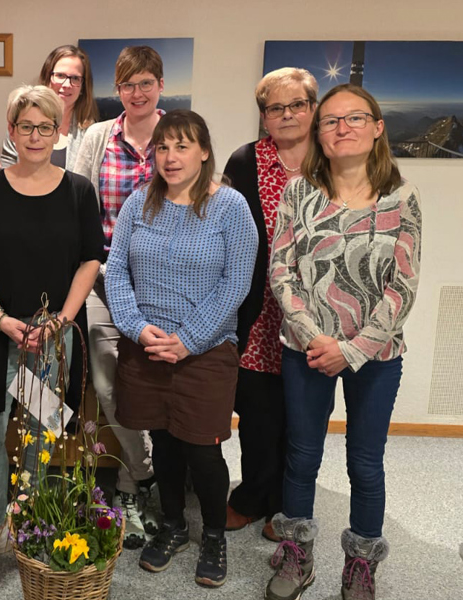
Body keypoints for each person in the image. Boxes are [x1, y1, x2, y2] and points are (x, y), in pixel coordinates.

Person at [265, 83, 422, 600]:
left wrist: (351, 350)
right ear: (320, 133)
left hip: (375, 358)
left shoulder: (402, 200)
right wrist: (316, 339)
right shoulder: (298, 193)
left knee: (364, 462)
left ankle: (360, 564)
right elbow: (281, 270)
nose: (341, 128)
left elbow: (403, 287)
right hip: (305, 350)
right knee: (302, 455)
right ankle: (297, 555)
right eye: (330, 121)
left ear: (377, 128)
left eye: (354, 118)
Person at [0, 85, 104, 570]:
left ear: (60, 131)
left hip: (49, 340)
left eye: (46, 126)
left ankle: (25, 521)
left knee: (38, 430)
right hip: (0, 330)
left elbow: (90, 259)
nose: (35, 135)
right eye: (26, 126)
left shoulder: (77, 190)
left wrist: (63, 320)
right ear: (11, 130)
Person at [106, 110, 257, 587]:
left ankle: (213, 535)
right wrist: (134, 325)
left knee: (203, 450)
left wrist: (188, 340)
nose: (171, 157)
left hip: (207, 349)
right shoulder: (138, 204)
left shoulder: (230, 207)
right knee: (164, 443)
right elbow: (115, 272)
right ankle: (172, 525)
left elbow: (236, 284)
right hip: (146, 345)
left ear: (205, 152)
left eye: (183, 146)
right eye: (163, 147)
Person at [73, 45, 166, 548]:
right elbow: (80, 203)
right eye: (128, 84)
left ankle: (136, 485)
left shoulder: (177, 133)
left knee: (157, 378)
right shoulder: (96, 136)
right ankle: (143, 473)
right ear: (118, 89)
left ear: (160, 86)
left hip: (164, 282)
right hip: (106, 279)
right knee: (109, 383)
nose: (136, 92)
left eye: (145, 82)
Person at [222, 67, 319, 543]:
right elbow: (226, 230)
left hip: (318, 313)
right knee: (258, 413)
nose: (286, 115)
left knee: (302, 414)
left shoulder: (334, 160)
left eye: (296, 105)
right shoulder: (245, 161)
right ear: (263, 117)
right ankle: (252, 495)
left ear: (312, 108)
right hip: (260, 310)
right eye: (275, 108)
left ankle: (288, 503)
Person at [0, 44, 98, 171]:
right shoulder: (22, 123)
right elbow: (6, 172)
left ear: (83, 86)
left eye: (75, 78)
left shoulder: (91, 133)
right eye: (60, 76)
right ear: (47, 78)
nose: (67, 84)